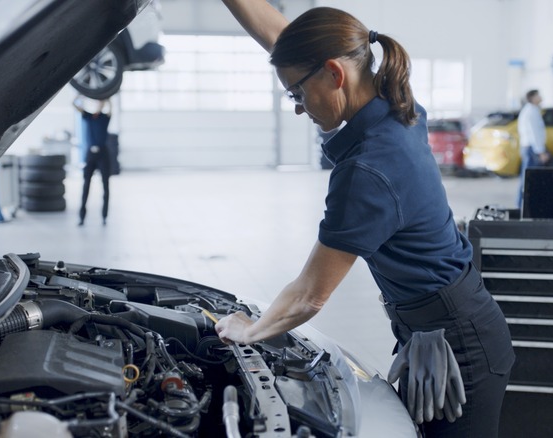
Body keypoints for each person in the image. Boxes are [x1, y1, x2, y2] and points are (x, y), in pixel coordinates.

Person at [214, 2, 515, 437]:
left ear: (335, 74)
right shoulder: (395, 101)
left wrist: (252, 330)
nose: (299, 109)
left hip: (462, 344)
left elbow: (309, 295)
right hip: (438, 326)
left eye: (297, 94)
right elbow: (291, 45)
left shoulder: (368, 171)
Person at [73, 96, 113, 226]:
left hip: (103, 154)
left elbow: (110, 108)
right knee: (86, 186)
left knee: (106, 186)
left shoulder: (105, 118)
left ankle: (104, 217)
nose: (99, 104)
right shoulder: (88, 116)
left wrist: (106, 96)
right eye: (97, 102)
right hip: (90, 155)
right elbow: (74, 104)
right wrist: (80, 94)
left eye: (100, 103)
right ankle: (82, 217)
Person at [516, 89, 549, 208]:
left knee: (527, 178)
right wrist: (541, 151)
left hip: (529, 148)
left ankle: (523, 206)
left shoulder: (529, 110)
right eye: (538, 95)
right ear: (532, 97)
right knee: (530, 179)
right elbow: (534, 132)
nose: (541, 97)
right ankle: (524, 207)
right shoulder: (532, 111)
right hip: (532, 149)